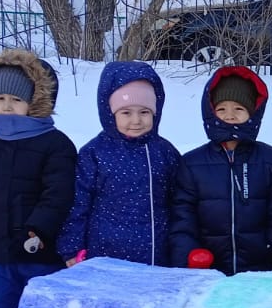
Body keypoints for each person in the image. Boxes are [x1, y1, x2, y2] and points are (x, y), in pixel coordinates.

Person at [0, 49, 77, 308]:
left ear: (35, 101)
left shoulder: (56, 145)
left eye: (16, 99)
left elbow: (58, 194)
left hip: (38, 252)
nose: (7, 106)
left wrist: (38, 229)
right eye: (0, 98)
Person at [169, 66, 272, 274]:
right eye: (221, 109)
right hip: (208, 270)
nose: (230, 116)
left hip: (260, 270)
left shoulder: (271, 160)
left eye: (238, 109)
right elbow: (183, 217)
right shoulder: (192, 164)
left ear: (252, 113)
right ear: (210, 112)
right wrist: (189, 253)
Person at [57, 61, 180, 267]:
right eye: (126, 113)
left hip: (155, 252)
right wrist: (72, 246)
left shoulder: (164, 152)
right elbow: (78, 203)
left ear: (155, 112)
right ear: (110, 112)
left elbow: (179, 201)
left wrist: (180, 248)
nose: (136, 120)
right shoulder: (94, 153)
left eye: (144, 112)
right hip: (103, 251)